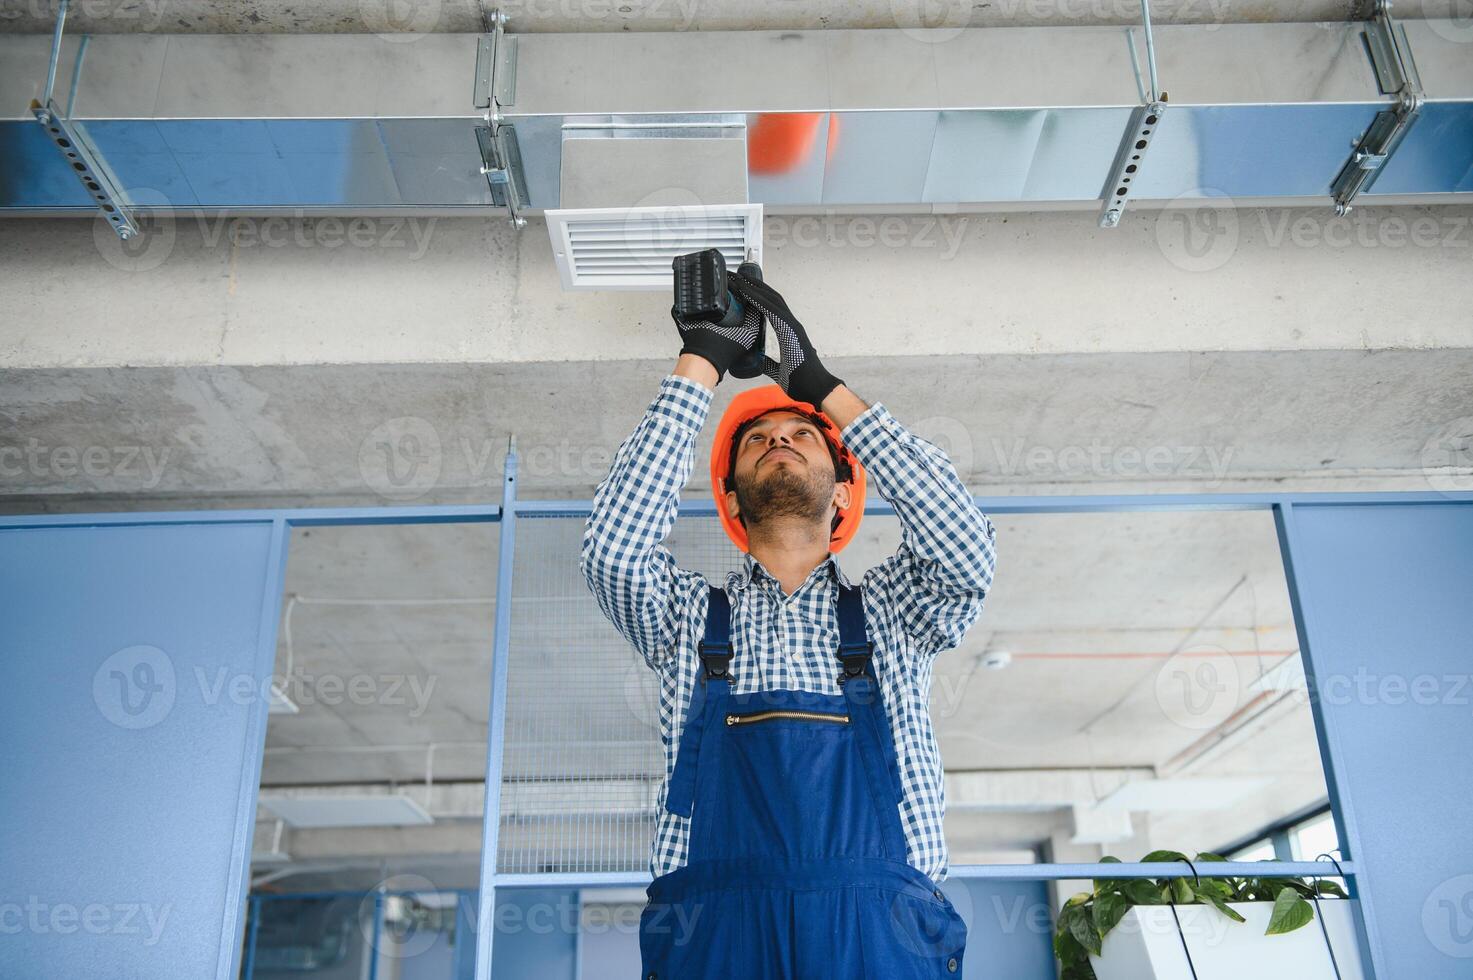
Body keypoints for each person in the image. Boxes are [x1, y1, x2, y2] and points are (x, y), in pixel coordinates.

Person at [581, 265, 998, 978]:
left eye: (800, 434)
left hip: (879, 928)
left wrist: (825, 391)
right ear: (733, 505)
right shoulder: (685, 618)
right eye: (755, 439)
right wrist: (701, 362)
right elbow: (613, 548)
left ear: (842, 496)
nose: (776, 439)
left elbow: (964, 549)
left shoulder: (894, 612)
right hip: (715, 927)